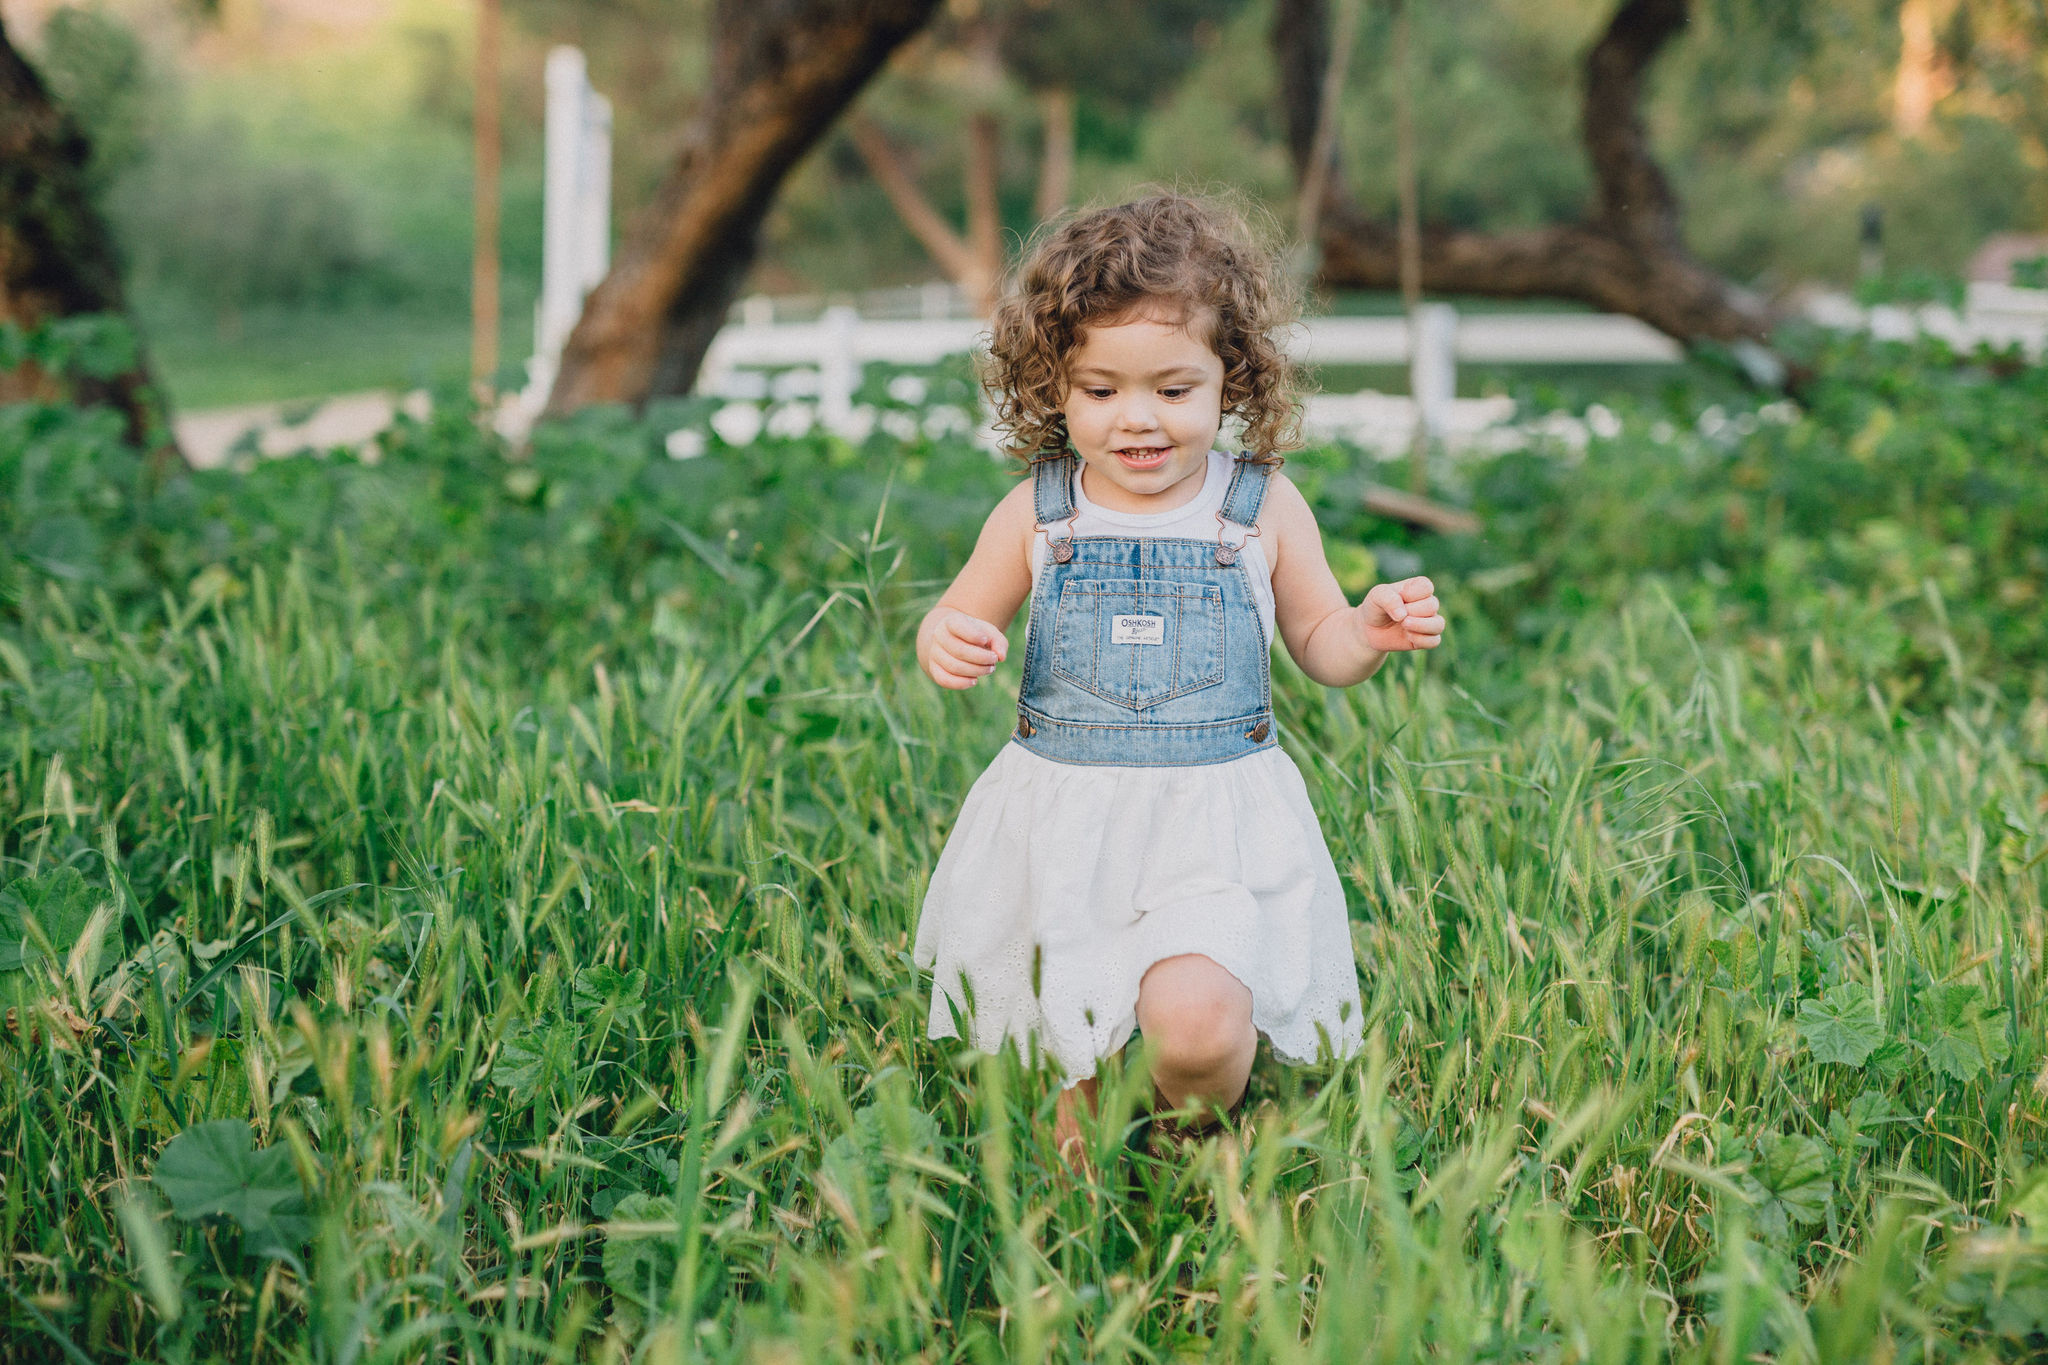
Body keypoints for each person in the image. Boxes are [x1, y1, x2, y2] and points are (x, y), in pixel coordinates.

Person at [911, 194, 1446, 1167]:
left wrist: (1364, 628)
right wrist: (946, 641)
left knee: (1198, 1030)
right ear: (1054, 389)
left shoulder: (1259, 507)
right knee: (1070, 1026)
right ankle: (1094, 1156)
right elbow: (956, 616)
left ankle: (1177, 1139)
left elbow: (1319, 641)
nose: (1136, 420)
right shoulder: (1036, 512)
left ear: (1229, 380)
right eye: (1100, 391)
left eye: (1171, 388)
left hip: (1213, 829)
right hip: (1066, 832)